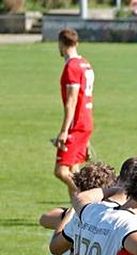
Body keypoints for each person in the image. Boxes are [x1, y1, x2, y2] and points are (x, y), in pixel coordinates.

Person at [54, 28, 95, 196]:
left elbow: (72, 101)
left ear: (61, 44)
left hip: (76, 124)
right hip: (86, 120)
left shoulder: (72, 67)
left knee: (61, 171)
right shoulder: (85, 64)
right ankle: (77, 217)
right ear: (76, 43)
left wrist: (64, 131)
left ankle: (88, 198)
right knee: (74, 169)